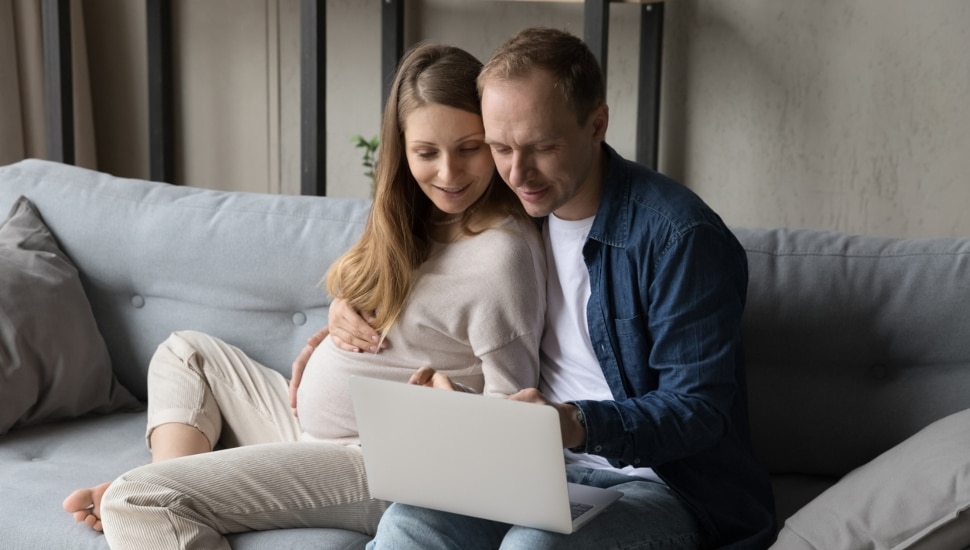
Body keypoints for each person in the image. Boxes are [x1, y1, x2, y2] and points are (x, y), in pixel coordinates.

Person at [61, 42, 545, 549]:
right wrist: (337, 317)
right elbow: (402, 322)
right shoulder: (415, 220)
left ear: (493, 139)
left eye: (469, 148)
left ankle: (167, 494)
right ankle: (183, 484)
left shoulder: (501, 257)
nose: (448, 174)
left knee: (135, 501)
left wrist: (447, 412)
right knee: (186, 353)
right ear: (402, 151)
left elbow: (509, 429)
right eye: (426, 153)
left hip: (378, 462)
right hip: (303, 429)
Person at [320, 27, 777, 549]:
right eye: (500, 148)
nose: (519, 172)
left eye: (542, 147)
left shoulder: (679, 237)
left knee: (534, 547)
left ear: (597, 124)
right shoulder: (517, 216)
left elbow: (699, 411)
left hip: (661, 487)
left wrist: (573, 423)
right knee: (408, 527)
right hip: (529, 470)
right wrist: (339, 314)